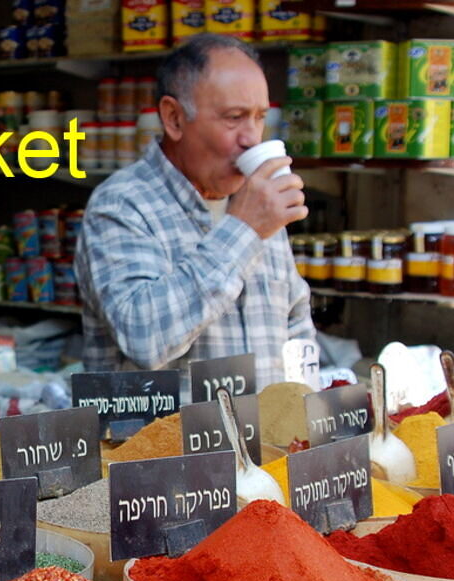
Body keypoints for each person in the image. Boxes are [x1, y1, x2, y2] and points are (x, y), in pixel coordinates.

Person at [74, 33, 314, 389]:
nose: (251, 137)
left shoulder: (255, 202)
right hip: (163, 444)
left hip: (269, 443)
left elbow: (296, 326)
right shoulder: (123, 204)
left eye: (259, 117)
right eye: (234, 118)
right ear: (174, 118)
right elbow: (145, 336)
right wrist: (244, 230)